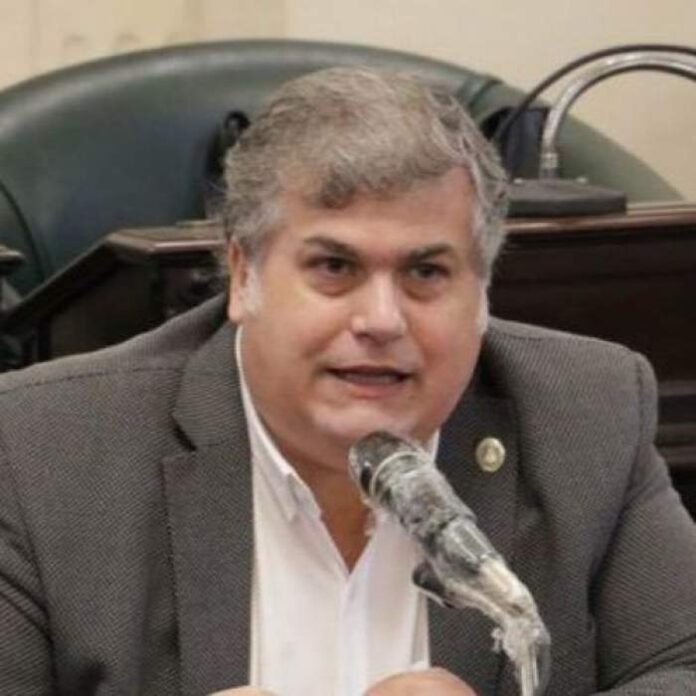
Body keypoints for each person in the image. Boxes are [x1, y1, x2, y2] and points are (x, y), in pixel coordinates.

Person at [0, 67, 695, 696]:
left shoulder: (586, 413)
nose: (381, 320)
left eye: (426, 272)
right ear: (242, 276)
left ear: (482, 289)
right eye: (334, 268)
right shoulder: (42, 453)